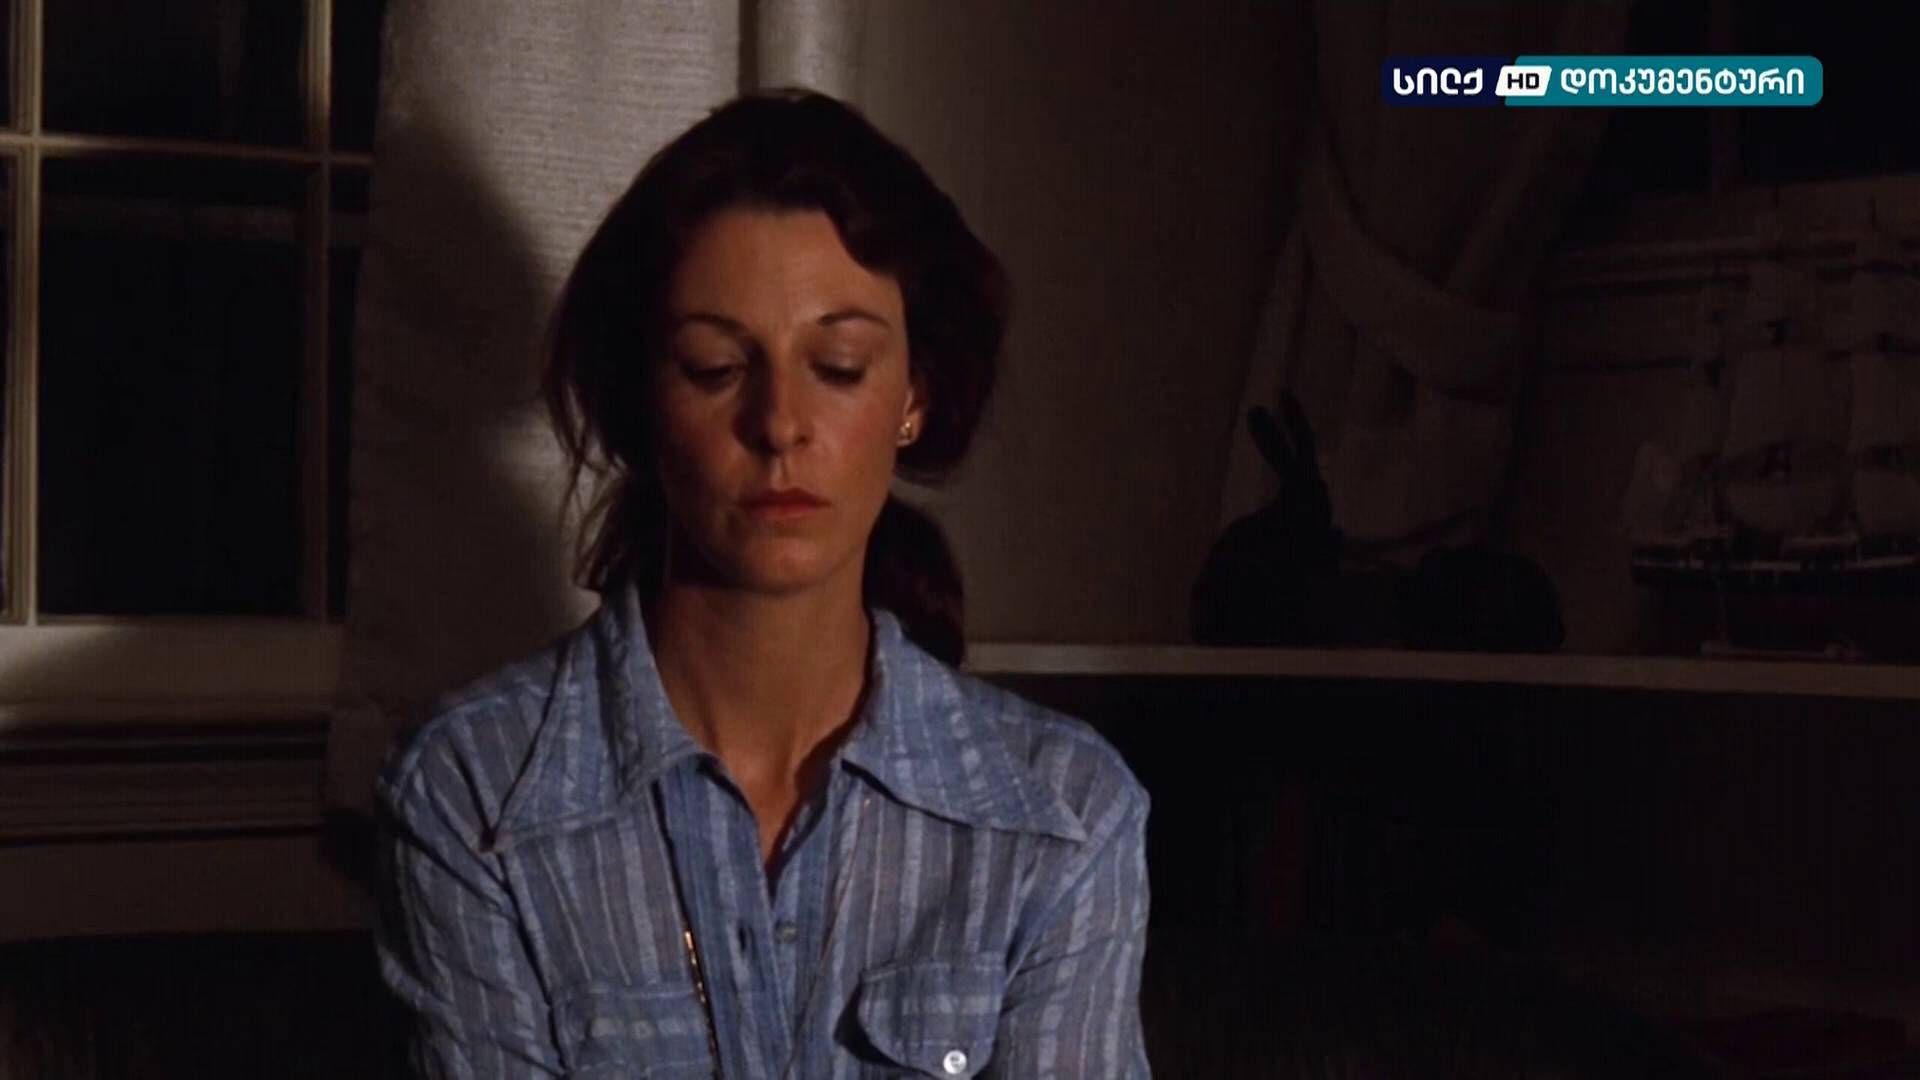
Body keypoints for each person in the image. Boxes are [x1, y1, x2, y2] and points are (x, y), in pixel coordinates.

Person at [374, 88, 1151, 1078]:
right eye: (714, 367)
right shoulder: (475, 793)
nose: (780, 424)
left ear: (914, 397)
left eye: (839, 365)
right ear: (642, 399)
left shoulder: (1062, 815)